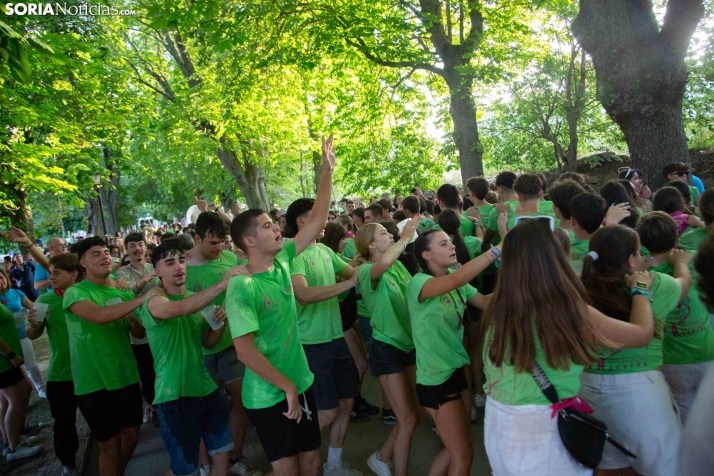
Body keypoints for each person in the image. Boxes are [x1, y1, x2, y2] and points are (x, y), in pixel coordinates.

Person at [482, 220, 655, 476]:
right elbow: (641, 334)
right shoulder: (565, 310)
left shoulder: (500, 306)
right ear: (554, 259)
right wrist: (641, 289)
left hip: (498, 422)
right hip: (540, 433)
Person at [225, 134, 336, 476]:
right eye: (268, 226)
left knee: (312, 462)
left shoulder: (285, 259)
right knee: (287, 471)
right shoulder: (242, 287)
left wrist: (327, 171)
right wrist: (285, 385)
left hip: (299, 382)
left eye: (275, 224)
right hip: (269, 395)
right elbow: (244, 353)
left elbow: (317, 220)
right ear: (248, 241)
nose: (278, 230)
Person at [580, 225, 684, 476]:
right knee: (666, 467)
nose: (643, 258)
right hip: (640, 391)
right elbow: (683, 285)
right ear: (630, 260)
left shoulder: (578, 287)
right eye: (639, 253)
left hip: (586, 387)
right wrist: (680, 264)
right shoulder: (658, 285)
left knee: (609, 466)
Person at [140, 240, 247, 476]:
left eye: (181, 260)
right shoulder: (153, 301)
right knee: (185, 469)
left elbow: (207, 343)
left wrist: (219, 323)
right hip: (174, 396)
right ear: (157, 271)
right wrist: (222, 284)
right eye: (169, 263)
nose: (178, 267)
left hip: (207, 389)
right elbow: (178, 310)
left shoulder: (194, 298)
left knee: (221, 456)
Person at [63, 236, 162, 475]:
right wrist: (140, 299)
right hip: (93, 380)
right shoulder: (76, 292)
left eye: (106, 252)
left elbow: (138, 332)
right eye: (96, 253)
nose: (104, 256)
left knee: (131, 433)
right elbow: (98, 316)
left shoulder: (124, 293)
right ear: (83, 262)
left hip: (125, 374)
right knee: (108, 444)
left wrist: (132, 317)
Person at [409, 226, 501, 475]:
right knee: (463, 455)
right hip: (436, 379)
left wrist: (519, 279)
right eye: (443, 244)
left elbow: (483, 301)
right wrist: (496, 250)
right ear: (426, 256)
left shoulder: (454, 278)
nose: (451, 246)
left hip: (457, 371)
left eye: (449, 242)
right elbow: (457, 280)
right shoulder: (419, 283)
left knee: (454, 450)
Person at [287, 198, 363, 476]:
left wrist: (383, 254)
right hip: (311, 344)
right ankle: (291, 458)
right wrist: (350, 283)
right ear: (302, 222)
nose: (326, 221)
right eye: (318, 217)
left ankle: (333, 465)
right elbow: (304, 295)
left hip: (334, 339)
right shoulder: (293, 255)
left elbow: (355, 274)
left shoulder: (323, 251)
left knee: (346, 402)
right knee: (327, 412)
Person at [185, 211, 260, 476]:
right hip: (198, 350)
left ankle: (234, 457)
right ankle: (206, 463)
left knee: (244, 400)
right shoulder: (182, 267)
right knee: (203, 408)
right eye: (212, 243)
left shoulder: (229, 258)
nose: (220, 248)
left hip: (231, 344)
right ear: (196, 238)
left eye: (222, 242)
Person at [355, 216, 423, 476]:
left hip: (409, 345)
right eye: (383, 233)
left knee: (416, 415)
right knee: (407, 419)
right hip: (387, 349)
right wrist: (405, 238)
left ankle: (382, 457)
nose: (390, 234)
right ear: (371, 247)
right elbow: (382, 264)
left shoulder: (397, 266)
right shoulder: (366, 271)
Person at [636, 212, 714, 423]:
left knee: (684, 416)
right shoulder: (695, 260)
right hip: (707, 352)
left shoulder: (640, 274)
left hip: (671, 362)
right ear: (676, 236)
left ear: (641, 240)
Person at [25, 253, 83, 475]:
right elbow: (33, 333)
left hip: (90, 370)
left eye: (56, 273)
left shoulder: (87, 295)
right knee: (63, 423)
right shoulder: (44, 300)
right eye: (50, 272)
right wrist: (32, 324)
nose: (51, 277)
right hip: (61, 373)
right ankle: (68, 464)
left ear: (74, 275)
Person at [116, 232, 160, 426]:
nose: (137, 249)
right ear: (127, 250)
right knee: (146, 372)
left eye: (140, 244)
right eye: (132, 245)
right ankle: (152, 407)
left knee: (160, 368)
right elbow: (130, 290)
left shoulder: (155, 267)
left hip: (159, 328)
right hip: (139, 331)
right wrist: (146, 279)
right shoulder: (122, 273)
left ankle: (162, 405)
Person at [0, 303, 41, 462]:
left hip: (7, 361)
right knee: (17, 402)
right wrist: (11, 355)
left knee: (6, 402)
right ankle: (14, 448)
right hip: (4, 363)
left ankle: (9, 441)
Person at [0, 269, 45, 398]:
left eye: (1, 277)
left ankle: (41, 389)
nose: (0, 281)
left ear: (6, 278)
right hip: (4, 340)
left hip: (21, 335)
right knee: (10, 371)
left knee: (31, 365)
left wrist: (41, 318)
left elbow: (33, 307)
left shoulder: (16, 293)